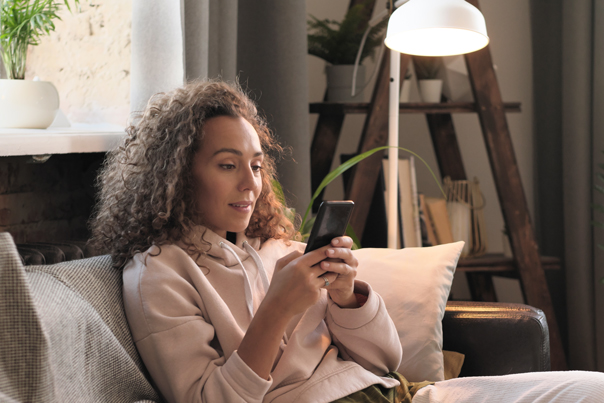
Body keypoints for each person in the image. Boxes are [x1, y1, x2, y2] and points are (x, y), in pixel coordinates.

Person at [91, 79, 604, 403]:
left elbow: (385, 362)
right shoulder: (159, 274)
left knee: (592, 388)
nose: (251, 184)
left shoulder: (277, 247)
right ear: (177, 174)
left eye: (255, 165)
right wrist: (277, 309)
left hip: (396, 394)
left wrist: (348, 299)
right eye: (227, 166)